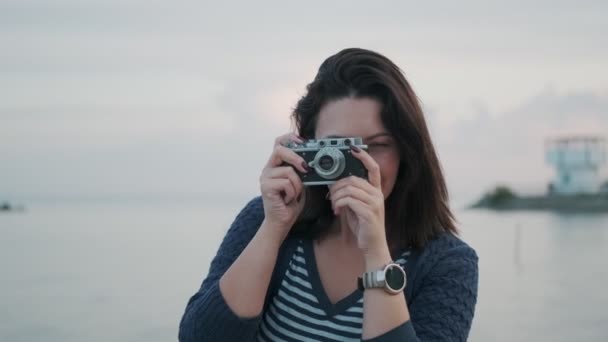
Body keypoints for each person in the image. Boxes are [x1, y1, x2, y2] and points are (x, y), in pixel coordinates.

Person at [178, 48, 479, 342]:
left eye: (377, 145)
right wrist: (273, 230)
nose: (360, 164)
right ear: (306, 150)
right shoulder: (263, 218)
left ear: (407, 151)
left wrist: (375, 252)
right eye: (336, 149)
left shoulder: (448, 263)